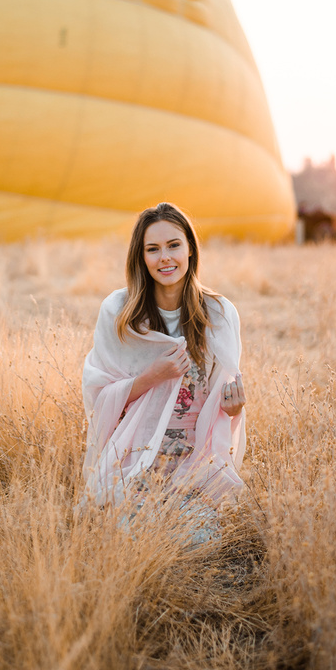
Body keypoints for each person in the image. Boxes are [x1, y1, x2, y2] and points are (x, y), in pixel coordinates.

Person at [80, 201, 246, 542]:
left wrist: (234, 410)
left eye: (173, 245)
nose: (164, 258)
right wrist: (151, 377)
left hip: (191, 466)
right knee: (128, 539)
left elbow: (223, 390)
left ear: (190, 249)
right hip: (136, 462)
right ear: (141, 257)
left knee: (197, 541)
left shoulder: (219, 314)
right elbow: (98, 394)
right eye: (152, 249)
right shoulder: (119, 312)